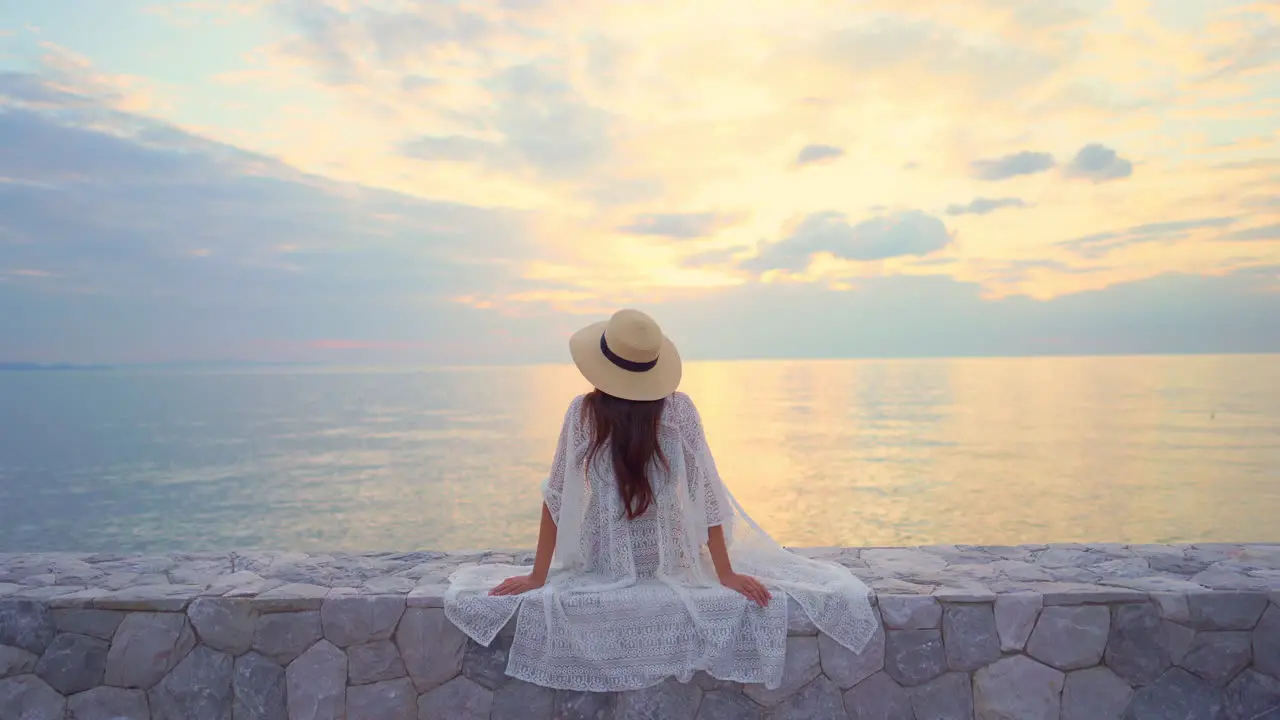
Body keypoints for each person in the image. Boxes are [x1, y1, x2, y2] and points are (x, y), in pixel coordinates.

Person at [444, 309, 878, 692]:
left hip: (604, 559)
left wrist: (539, 575)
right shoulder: (678, 410)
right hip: (670, 559)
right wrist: (723, 571)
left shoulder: (584, 412)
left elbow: (555, 497)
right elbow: (707, 493)